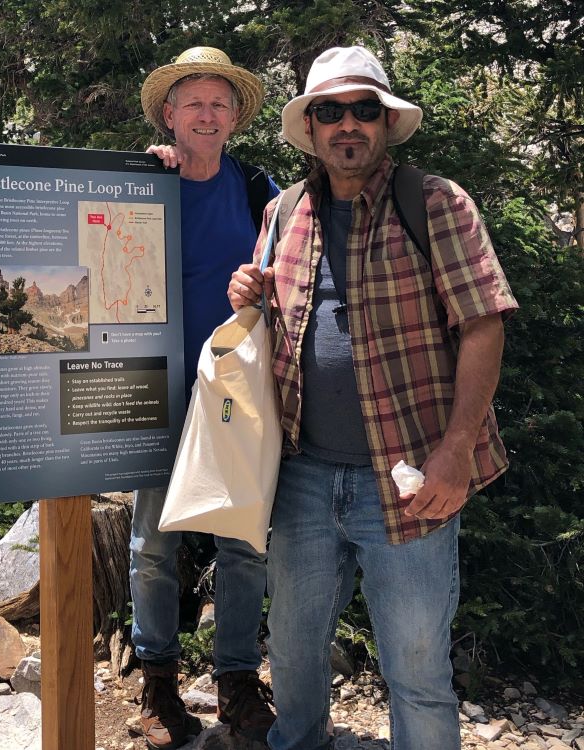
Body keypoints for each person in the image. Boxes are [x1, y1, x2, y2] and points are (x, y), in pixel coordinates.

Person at [228, 46, 517, 750]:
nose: (347, 125)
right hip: (300, 478)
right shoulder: (282, 211)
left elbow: (483, 325)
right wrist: (247, 297)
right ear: (312, 126)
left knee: (416, 673)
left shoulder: (437, 204)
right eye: (331, 112)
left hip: (413, 477)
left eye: (364, 111)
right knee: (293, 663)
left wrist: (455, 451)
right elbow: (271, 328)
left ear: (386, 123)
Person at [132, 46, 281, 749]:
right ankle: (158, 684)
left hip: (231, 385)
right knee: (153, 543)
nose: (207, 113)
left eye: (220, 103)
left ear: (235, 117)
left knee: (241, 541)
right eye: (193, 102)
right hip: (151, 384)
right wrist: (140, 173)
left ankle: (237, 683)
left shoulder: (258, 190)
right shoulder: (144, 180)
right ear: (169, 113)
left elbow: (290, 272)